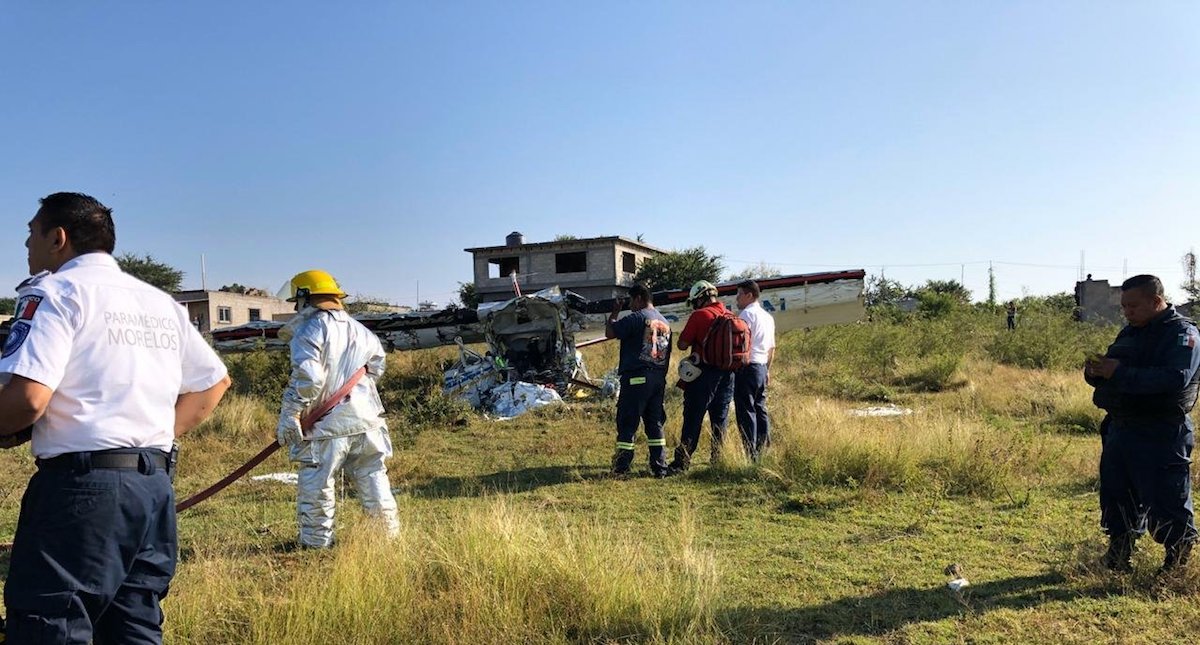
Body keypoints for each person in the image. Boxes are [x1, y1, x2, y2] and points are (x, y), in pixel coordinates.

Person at [0, 192, 231, 644]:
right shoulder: (158, 302)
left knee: (52, 624)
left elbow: (28, 400)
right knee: (132, 626)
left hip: (79, 491)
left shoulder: (55, 292)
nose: (26, 245)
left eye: (31, 233)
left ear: (58, 238)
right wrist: (149, 437)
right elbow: (213, 383)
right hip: (152, 487)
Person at [1085, 274, 1200, 574]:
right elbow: (1113, 369)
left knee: (1167, 497)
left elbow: (1175, 378)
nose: (1127, 312)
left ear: (1156, 301)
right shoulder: (1130, 333)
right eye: (1124, 306)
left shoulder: (1181, 334)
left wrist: (1118, 373)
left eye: (1133, 306)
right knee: (1117, 495)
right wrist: (1096, 371)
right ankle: (1119, 556)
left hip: (1161, 430)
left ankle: (1175, 567)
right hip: (1121, 427)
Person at [276, 269, 400, 548]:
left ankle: (316, 544)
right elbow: (376, 368)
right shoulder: (362, 330)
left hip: (326, 428)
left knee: (317, 484)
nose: (296, 307)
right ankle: (387, 538)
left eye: (297, 300)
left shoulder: (309, 330)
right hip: (368, 421)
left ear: (306, 298)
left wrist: (290, 413)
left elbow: (310, 378)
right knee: (373, 478)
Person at [604, 283, 672, 477]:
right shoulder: (665, 322)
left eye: (632, 301)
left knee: (627, 422)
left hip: (636, 378)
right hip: (658, 378)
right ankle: (660, 467)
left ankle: (621, 467)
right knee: (655, 423)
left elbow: (610, 332)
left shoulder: (636, 318)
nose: (631, 306)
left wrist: (614, 313)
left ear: (639, 298)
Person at [667, 280, 735, 473]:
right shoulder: (730, 314)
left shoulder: (699, 315)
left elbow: (682, 344)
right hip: (728, 375)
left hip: (703, 374)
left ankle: (682, 462)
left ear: (699, 299)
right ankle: (718, 460)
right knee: (720, 419)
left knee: (693, 416)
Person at [733, 280, 776, 461]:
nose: (737, 299)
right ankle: (763, 448)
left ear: (749, 295)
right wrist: (767, 370)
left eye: (739, 294)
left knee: (746, 410)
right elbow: (772, 348)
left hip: (747, 366)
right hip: (761, 366)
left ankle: (751, 453)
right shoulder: (768, 317)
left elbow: (740, 344)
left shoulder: (746, 316)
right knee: (760, 408)